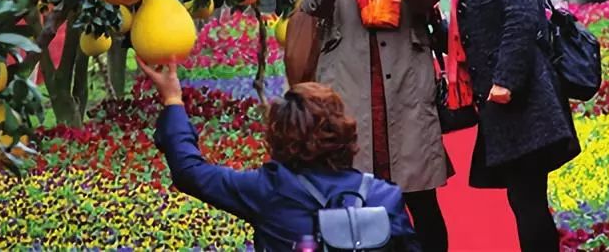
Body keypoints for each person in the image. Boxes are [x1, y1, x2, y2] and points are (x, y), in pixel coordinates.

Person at [300, 0, 450, 251]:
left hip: (406, 92)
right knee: (356, 203)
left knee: (421, 199)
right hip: (349, 90)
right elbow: (312, 5)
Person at [139, 57, 421, 251]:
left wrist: (173, 100)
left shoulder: (269, 189)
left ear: (278, 136)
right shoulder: (385, 196)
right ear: (345, 132)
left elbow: (190, 173)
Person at [439, 0, 580, 251]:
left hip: (522, 101)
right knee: (523, 198)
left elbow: (523, 16)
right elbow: (474, 36)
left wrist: (506, 80)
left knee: (527, 199)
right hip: (505, 106)